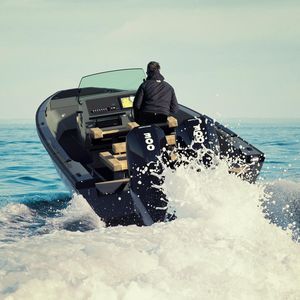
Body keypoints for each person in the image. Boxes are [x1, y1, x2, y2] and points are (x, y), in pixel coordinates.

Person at [133, 61, 178, 125]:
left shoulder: (144, 85)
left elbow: (137, 105)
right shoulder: (169, 87)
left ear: (148, 72)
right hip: (163, 119)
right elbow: (175, 109)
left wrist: (137, 120)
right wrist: (165, 113)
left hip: (147, 120)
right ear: (159, 70)